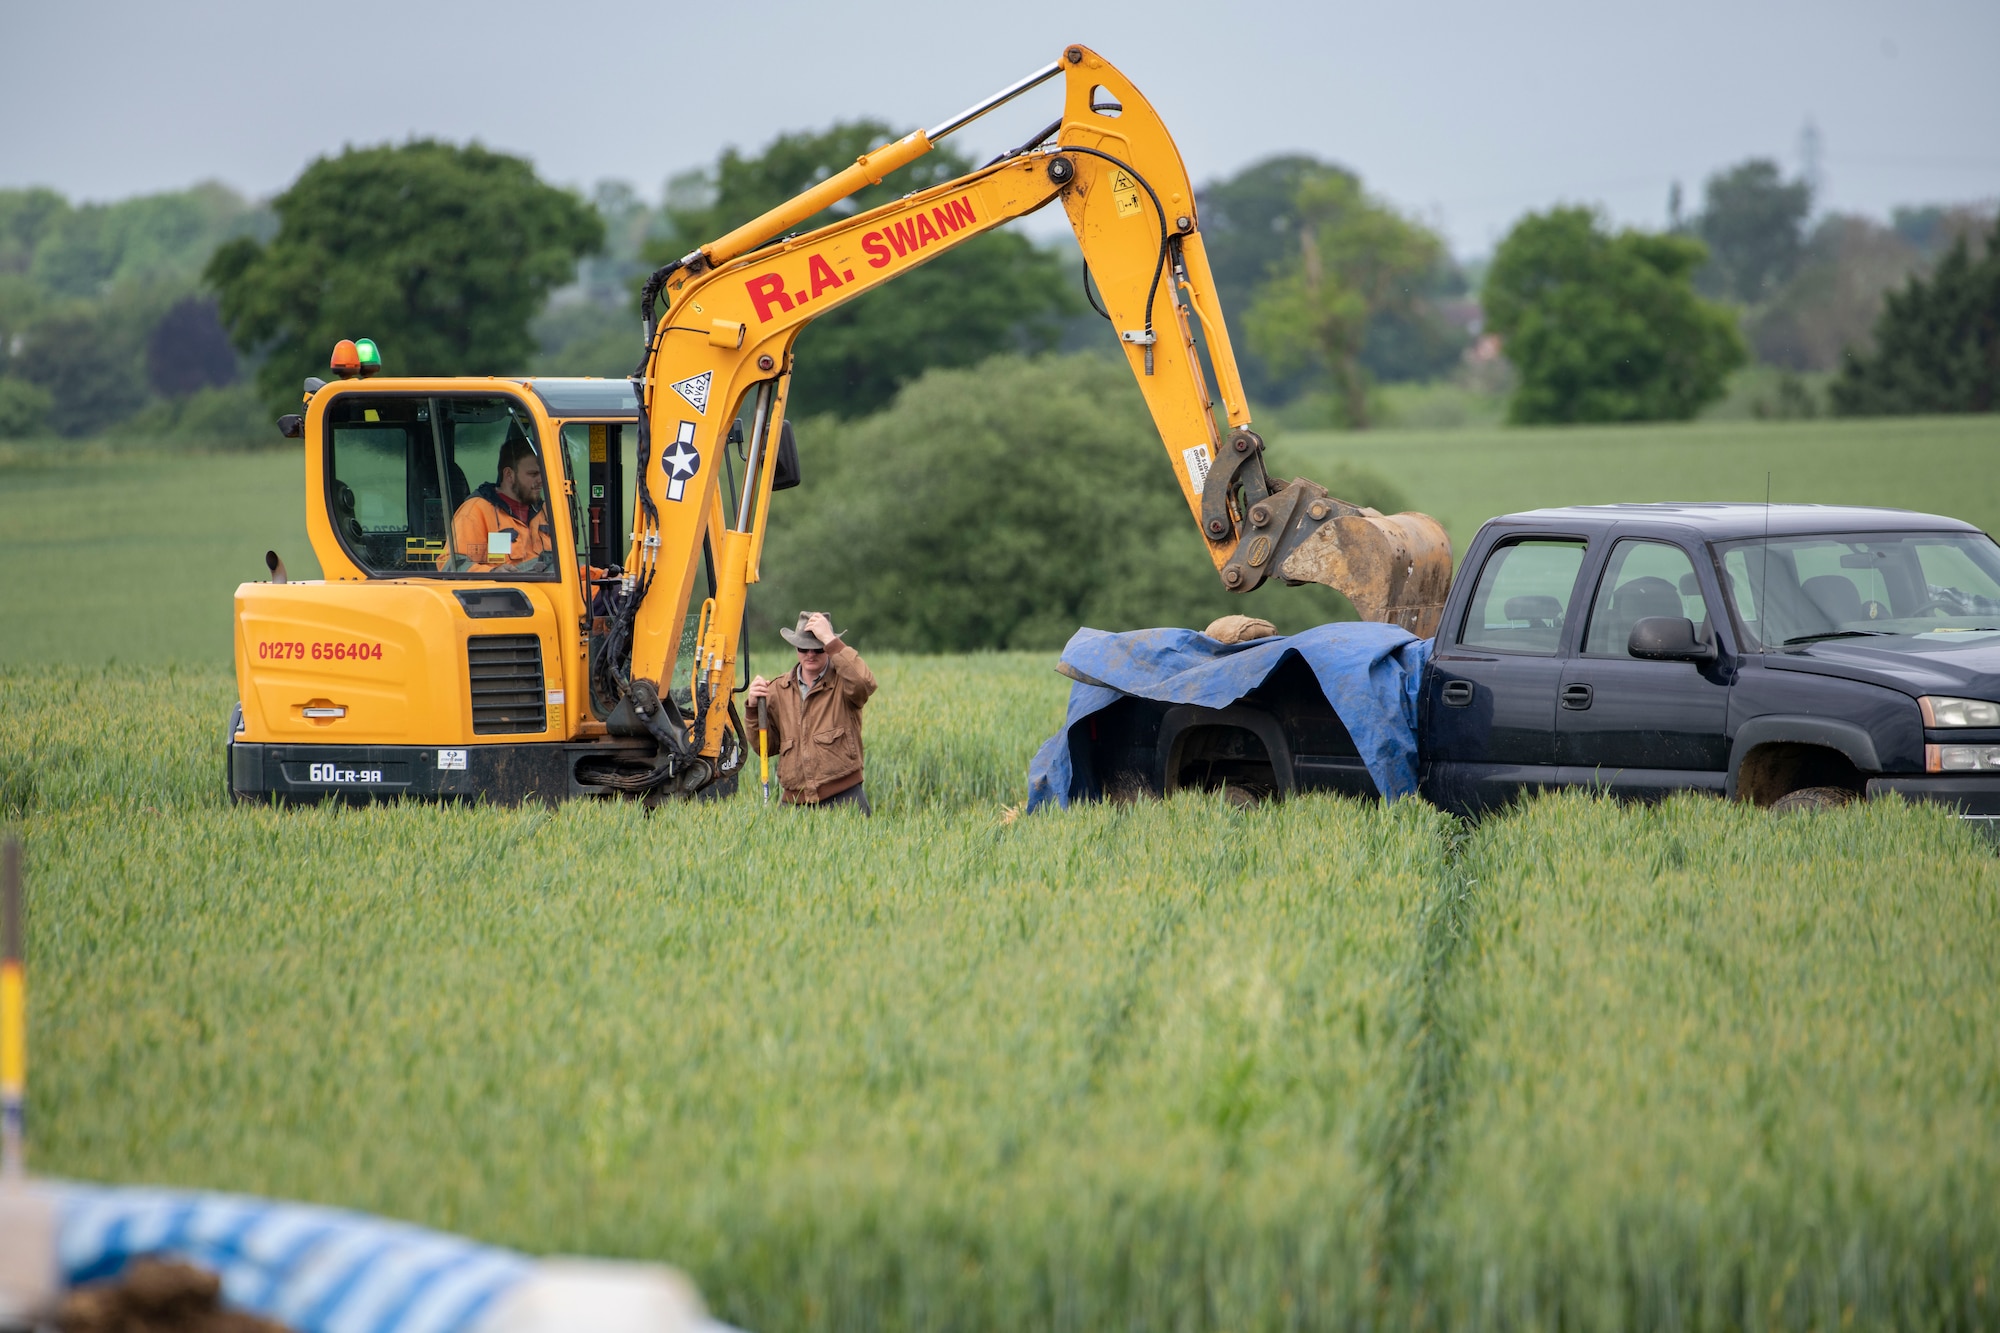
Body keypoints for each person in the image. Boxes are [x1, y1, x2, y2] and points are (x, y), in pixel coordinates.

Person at [747, 611, 878, 813]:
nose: (810, 654)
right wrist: (754, 709)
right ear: (795, 647)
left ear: (827, 648)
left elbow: (864, 683)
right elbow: (766, 747)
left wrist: (831, 640)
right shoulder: (776, 689)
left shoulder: (844, 683)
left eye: (818, 648)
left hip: (844, 798)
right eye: (804, 648)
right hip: (794, 804)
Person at [443, 432, 556, 573]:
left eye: (543, 474)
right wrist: (492, 574)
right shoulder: (475, 512)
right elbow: (451, 566)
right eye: (533, 474)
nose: (541, 481)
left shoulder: (547, 511)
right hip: (504, 593)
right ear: (509, 474)